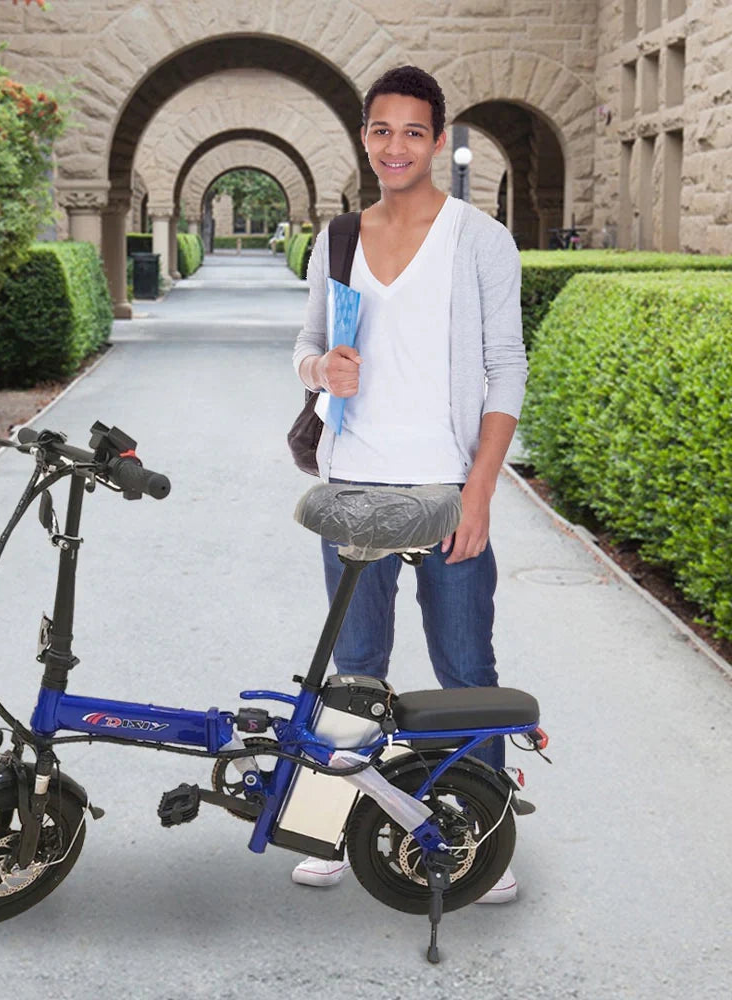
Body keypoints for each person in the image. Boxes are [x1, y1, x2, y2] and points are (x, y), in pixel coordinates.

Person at [290, 66, 527, 902]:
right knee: (353, 665)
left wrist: (480, 493)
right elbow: (306, 348)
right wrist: (323, 367)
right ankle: (328, 827)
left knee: (466, 666)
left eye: (414, 132)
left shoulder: (479, 239)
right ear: (365, 137)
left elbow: (505, 370)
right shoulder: (340, 238)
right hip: (354, 480)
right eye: (382, 130)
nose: (397, 146)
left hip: (446, 485)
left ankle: (482, 835)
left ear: (438, 139)